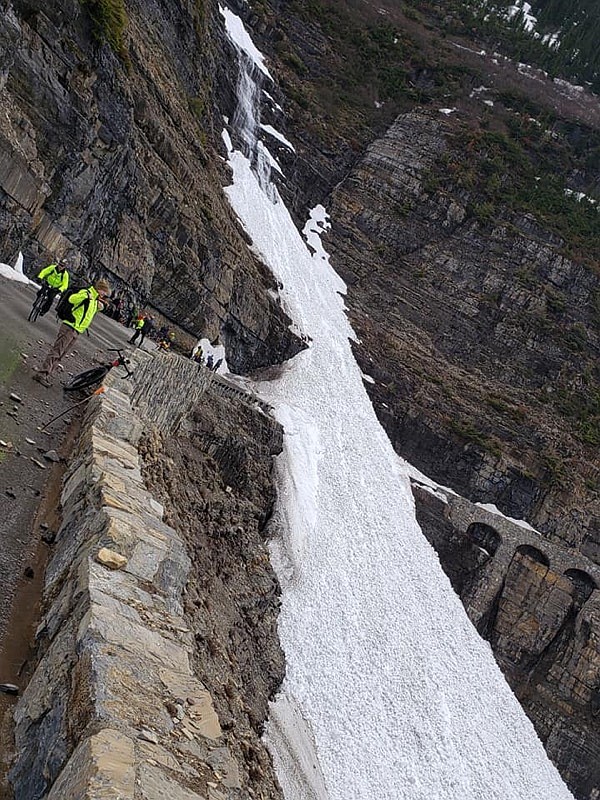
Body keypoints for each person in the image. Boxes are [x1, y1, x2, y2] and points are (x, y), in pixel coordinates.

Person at [33, 279, 111, 387]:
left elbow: (89, 313)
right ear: (100, 289)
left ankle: (47, 373)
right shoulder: (86, 293)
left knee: (61, 354)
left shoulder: (94, 299)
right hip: (70, 327)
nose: (105, 295)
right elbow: (72, 299)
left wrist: (100, 306)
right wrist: (86, 297)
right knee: (57, 351)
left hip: (77, 330)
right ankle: (41, 374)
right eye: (104, 292)